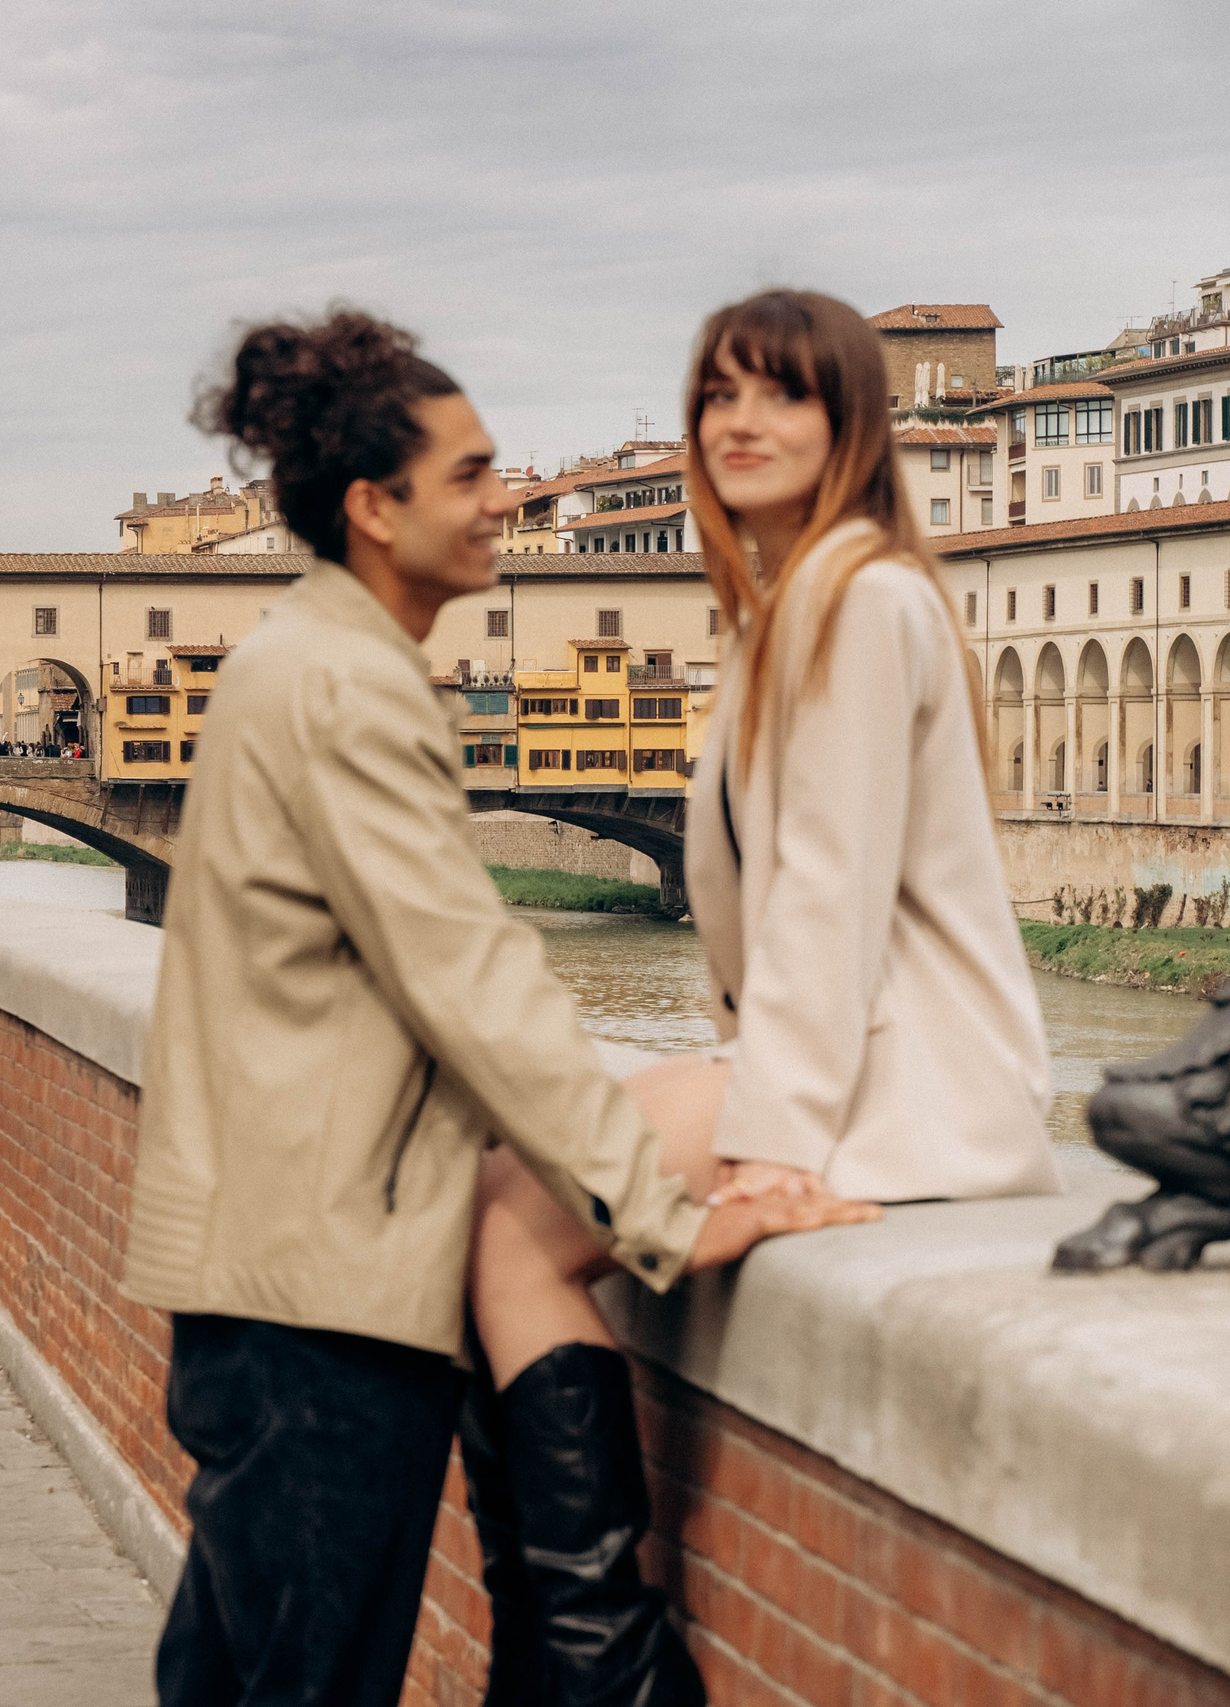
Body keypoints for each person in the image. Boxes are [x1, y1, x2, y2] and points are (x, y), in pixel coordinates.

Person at [125, 308, 875, 1707]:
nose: (500, 503)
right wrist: (658, 1216)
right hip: (322, 1297)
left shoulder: (303, 658)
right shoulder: (346, 685)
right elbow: (470, 978)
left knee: (237, 1676)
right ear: (374, 505)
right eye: (469, 475)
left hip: (271, 1273)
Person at [461, 289, 1059, 1705]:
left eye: (780, 394)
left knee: (514, 1232)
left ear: (848, 424)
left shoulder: (857, 599)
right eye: (718, 394)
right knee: (494, 1193)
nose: (740, 420)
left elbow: (829, 895)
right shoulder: (794, 604)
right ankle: (569, 1653)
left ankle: (599, 1664)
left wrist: (776, 1144)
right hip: (847, 1053)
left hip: (901, 1073)